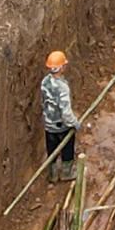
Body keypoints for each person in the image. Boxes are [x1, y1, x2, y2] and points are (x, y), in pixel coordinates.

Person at [40, 50, 79, 181]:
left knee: (52, 150)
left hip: (48, 124)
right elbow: (66, 112)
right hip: (61, 126)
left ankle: (52, 175)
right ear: (61, 67)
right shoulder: (62, 88)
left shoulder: (45, 82)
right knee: (67, 150)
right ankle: (66, 173)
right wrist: (74, 123)